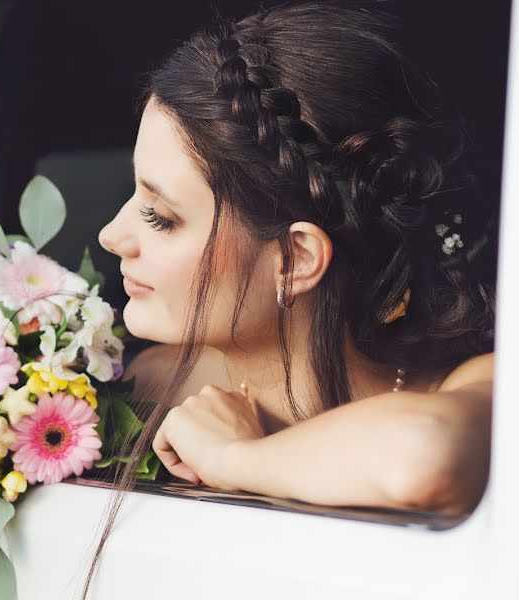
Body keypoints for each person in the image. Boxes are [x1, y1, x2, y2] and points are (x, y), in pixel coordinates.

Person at [84, 2, 498, 595]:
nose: (111, 236)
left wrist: (237, 461)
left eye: (160, 215)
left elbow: (425, 457)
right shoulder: (155, 384)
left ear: (295, 259)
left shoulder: (477, 389)